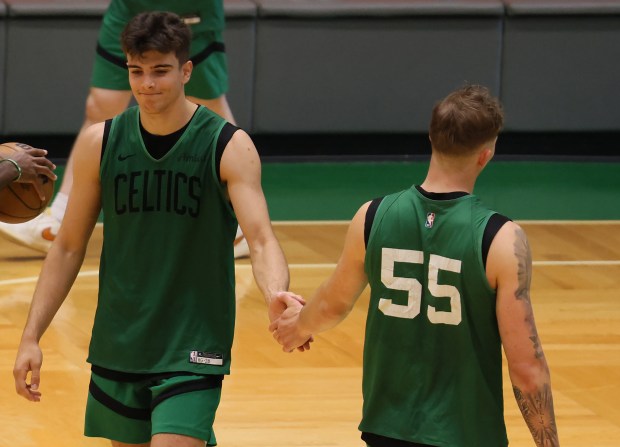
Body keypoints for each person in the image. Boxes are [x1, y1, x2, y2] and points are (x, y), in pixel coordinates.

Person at [13, 11, 305, 446]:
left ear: (186, 70)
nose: (147, 83)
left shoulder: (228, 145)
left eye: (161, 71)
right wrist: (31, 336)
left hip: (193, 345)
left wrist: (275, 294)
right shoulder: (101, 143)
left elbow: (261, 240)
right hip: (120, 342)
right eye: (137, 71)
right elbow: (69, 247)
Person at [270, 85, 560, 447]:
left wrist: (298, 326)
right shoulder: (501, 239)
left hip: (385, 430)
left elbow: (332, 304)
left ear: (431, 138)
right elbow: (527, 369)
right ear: (485, 155)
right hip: (465, 436)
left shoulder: (372, 216)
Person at [0, 0, 249, 258]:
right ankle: (61, 218)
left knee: (207, 107)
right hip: (129, 8)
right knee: (101, 105)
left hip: (187, 8)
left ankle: (240, 224)